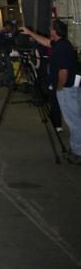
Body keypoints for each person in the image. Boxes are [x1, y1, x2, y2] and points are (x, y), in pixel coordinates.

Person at [21, 19, 81, 163]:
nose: (49, 30)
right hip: (69, 89)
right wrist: (30, 32)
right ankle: (76, 149)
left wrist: (59, 88)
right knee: (74, 120)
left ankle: (77, 153)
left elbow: (63, 73)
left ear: (55, 31)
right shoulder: (61, 43)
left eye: (51, 28)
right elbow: (46, 42)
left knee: (74, 122)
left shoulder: (62, 49)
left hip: (67, 90)